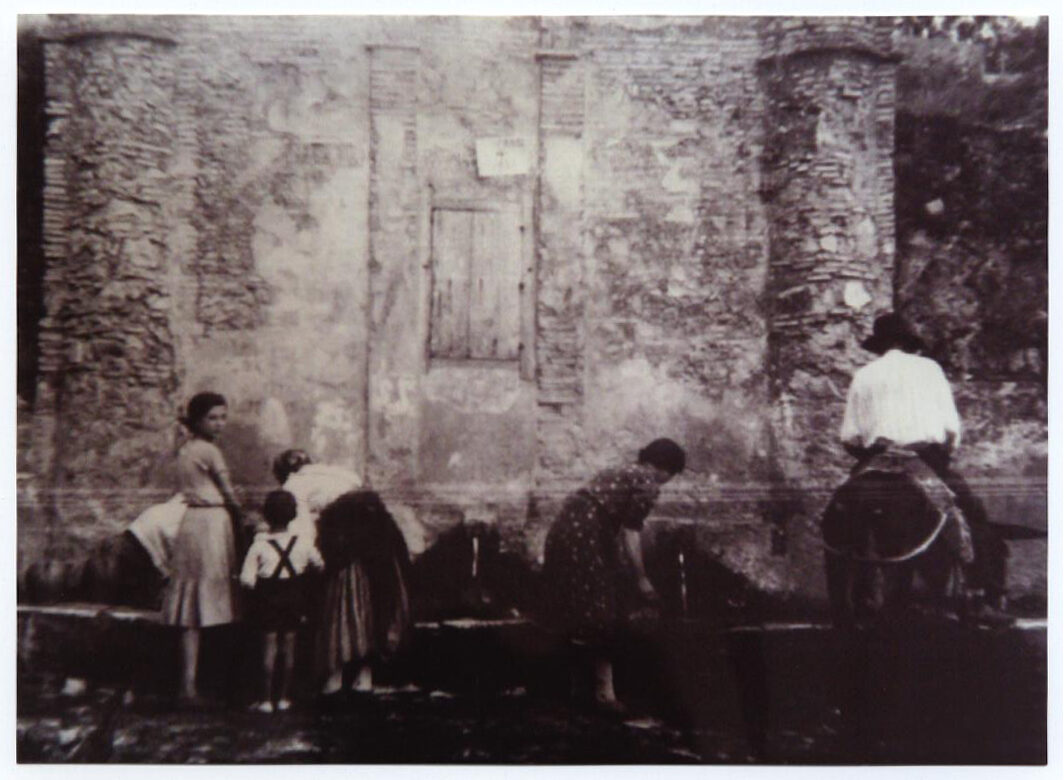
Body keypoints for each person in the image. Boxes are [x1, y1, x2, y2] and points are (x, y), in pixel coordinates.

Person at [840, 313, 1009, 620]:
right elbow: (950, 429)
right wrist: (944, 455)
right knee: (973, 514)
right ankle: (981, 596)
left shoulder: (863, 375)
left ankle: (857, 596)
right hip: (924, 458)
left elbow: (849, 437)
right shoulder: (929, 369)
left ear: (879, 345)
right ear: (909, 343)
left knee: (843, 512)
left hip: (876, 460)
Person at [541, 438, 686, 713]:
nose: (667, 482)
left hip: (563, 533)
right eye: (671, 475)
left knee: (577, 609)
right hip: (584, 538)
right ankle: (603, 694)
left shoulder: (620, 471)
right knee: (601, 612)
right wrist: (641, 579)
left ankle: (578, 689)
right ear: (665, 468)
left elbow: (608, 522)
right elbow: (630, 532)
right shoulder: (647, 481)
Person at [271, 450, 412, 696]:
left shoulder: (293, 485)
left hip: (345, 543)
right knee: (374, 605)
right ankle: (364, 676)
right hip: (379, 541)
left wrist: (312, 563)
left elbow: (301, 532)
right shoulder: (339, 473)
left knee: (342, 608)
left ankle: (334, 675)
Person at [162, 392, 244, 704]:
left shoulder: (184, 449)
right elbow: (228, 494)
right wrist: (241, 514)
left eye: (223, 417)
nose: (219, 424)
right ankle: (210, 683)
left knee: (192, 606)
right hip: (210, 525)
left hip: (192, 523)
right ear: (197, 421)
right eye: (212, 418)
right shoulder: (209, 451)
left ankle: (189, 684)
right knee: (210, 599)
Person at [240, 490, 324, 713]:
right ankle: (284, 697)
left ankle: (266, 700)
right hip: (294, 600)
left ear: (266, 516)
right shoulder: (303, 542)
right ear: (294, 515)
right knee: (289, 647)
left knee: (268, 648)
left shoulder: (258, 546)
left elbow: (247, 581)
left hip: (268, 601)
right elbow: (319, 565)